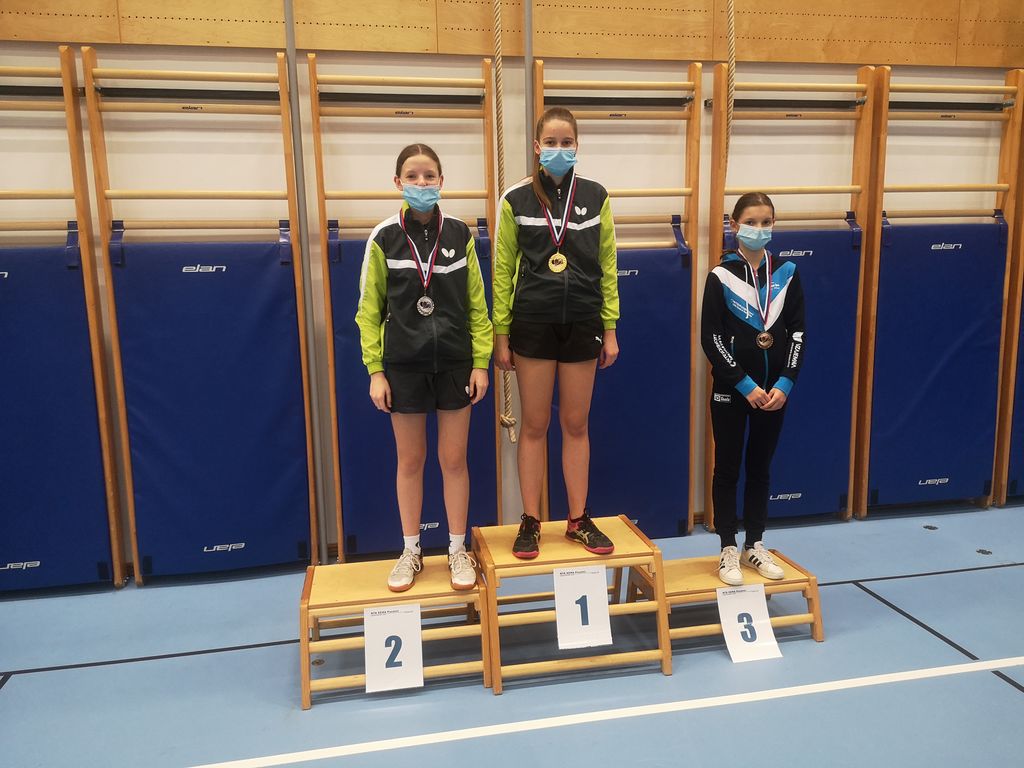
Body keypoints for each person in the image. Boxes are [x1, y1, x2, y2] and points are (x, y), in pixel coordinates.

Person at [355, 143, 492, 592]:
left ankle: (456, 549)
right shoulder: (383, 238)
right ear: (398, 182)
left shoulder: (460, 234)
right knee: (410, 460)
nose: (421, 183)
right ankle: (411, 550)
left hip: (455, 363)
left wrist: (481, 362)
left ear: (441, 181)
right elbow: (368, 312)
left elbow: (477, 305)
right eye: (412, 176)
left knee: (453, 460)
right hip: (403, 366)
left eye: (429, 175)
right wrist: (376, 371)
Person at [493, 107, 620, 559]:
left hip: (583, 321)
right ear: (537, 146)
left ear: (577, 146)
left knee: (576, 424)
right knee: (534, 424)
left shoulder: (597, 196)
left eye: (567, 143)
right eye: (551, 142)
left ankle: (578, 519)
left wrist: (610, 328)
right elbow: (502, 270)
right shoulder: (515, 200)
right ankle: (530, 520)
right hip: (532, 323)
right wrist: (501, 334)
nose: (559, 149)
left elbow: (608, 265)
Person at [701, 192, 805, 585]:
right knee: (727, 467)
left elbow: (798, 333)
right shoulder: (720, 275)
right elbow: (711, 338)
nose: (759, 229)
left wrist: (785, 382)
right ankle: (728, 547)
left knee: (760, 468)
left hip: (773, 394)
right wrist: (744, 384)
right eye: (751, 222)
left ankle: (754, 544)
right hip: (732, 391)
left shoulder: (788, 274)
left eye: (766, 222)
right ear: (734, 225)